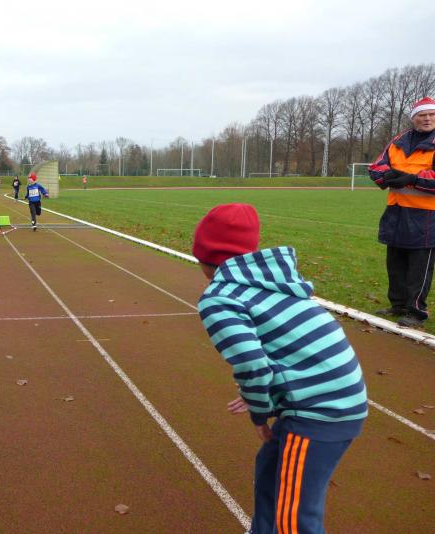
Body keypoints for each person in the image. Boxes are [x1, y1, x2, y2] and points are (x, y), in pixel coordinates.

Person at [193, 203, 367, 534]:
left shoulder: (218, 298)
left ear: (201, 255)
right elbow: (285, 351)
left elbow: (252, 364)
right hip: (331, 390)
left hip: (320, 410)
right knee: (271, 468)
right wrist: (264, 392)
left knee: (295, 520)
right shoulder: (272, 280)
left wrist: (259, 413)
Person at [369, 96, 435, 328]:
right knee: (395, 264)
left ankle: (416, 312)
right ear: (413, 118)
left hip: (426, 217)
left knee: (419, 268)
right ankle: (397, 305)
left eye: (432, 115)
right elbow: (377, 166)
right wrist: (385, 176)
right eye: (422, 115)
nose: (427, 119)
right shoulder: (398, 141)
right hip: (396, 212)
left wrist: (412, 179)